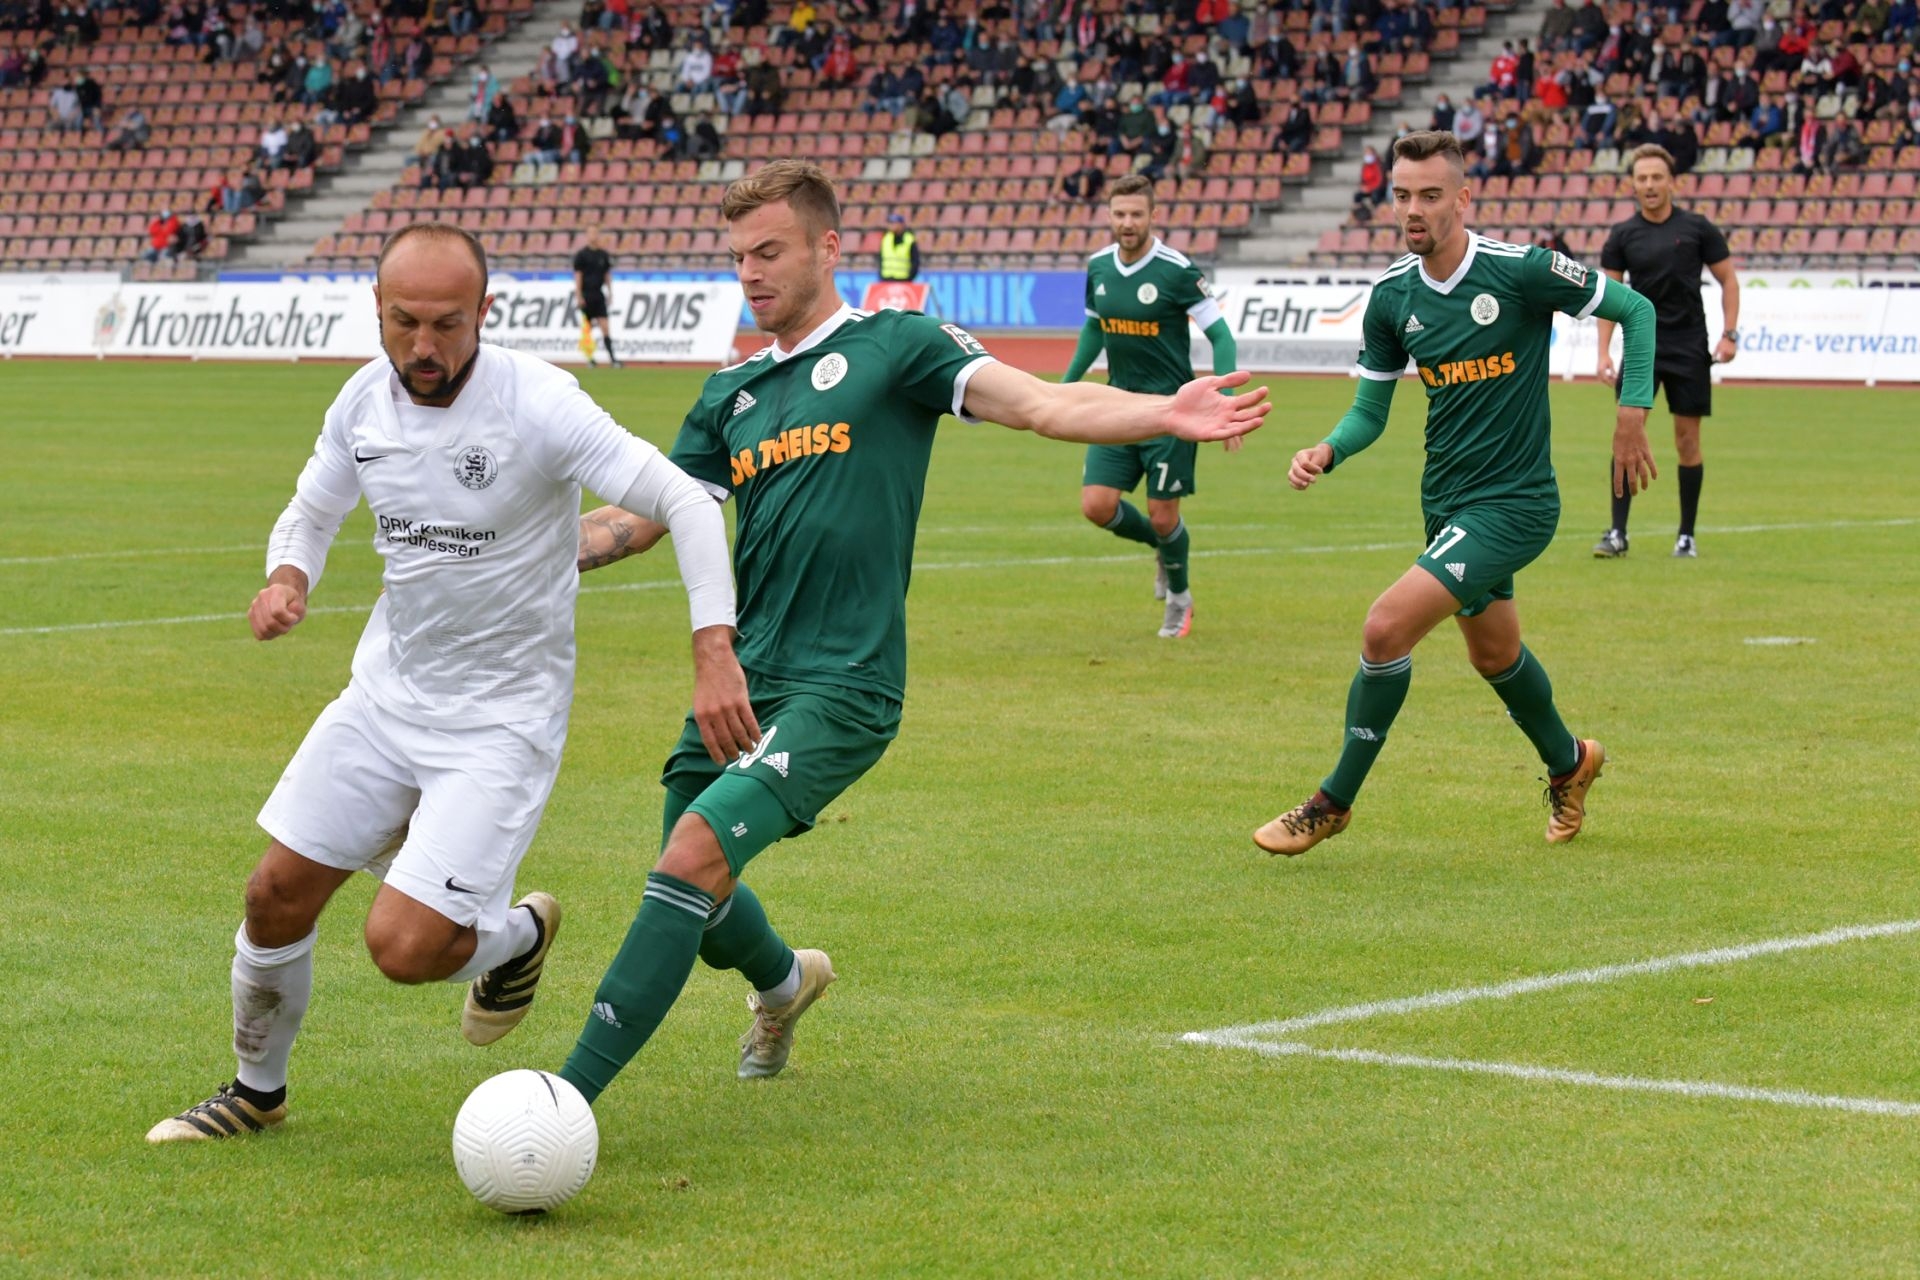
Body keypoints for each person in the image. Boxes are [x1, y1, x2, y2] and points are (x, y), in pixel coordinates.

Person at [551, 160, 1265, 1106]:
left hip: (844, 682)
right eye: (737, 258)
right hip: (745, 677)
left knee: (692, 856)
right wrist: (510, 555)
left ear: (828, 247)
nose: (751, 274)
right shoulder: (730, 394)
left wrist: (1163, 410)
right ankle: (784, 981)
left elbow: (1043, 404)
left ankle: (559, 1104)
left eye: (769, 251)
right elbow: (635, 521)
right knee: (696, 883)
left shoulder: (898, 345)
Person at [144, 222, 739, 1143]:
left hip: (500, 723)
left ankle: (518, 940)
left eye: (448, 326)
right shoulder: (361, 403)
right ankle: (256, 1092)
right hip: (384, 699)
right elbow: (311, 511)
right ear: (376, 312)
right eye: (404, 322)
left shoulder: (538, 404)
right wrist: (288, 577)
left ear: (485, 313)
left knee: (406, 948)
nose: (424, 347)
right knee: (273, 895)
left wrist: (713, 650)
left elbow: (686, 504)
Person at [1254, 130, 1658, 858]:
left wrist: (1632, 414)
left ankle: (1331, 803)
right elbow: (1369, 412)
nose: (1413, 209)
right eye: (1402, 195)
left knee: (1384, 628)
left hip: (1517, 505)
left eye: (1430, 195)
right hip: (1447, 505)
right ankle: (1571, 762)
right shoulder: (1390, 298)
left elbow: (1636, 310)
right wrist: (1327, 449)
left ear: (1464, 198)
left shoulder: (1521, 271)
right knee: (1496, 657)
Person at [1060, 174, 1239, 639]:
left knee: (1164, 514)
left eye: (1136, 214)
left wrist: (1223, 400)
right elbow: (1094, 331)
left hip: (1170, 412)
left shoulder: (1176, 270)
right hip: (1116, 405)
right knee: (1096, 507)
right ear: (1108, 215)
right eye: (1119, 214)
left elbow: (1220, 335)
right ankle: (1160, 548)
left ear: (1153, 216)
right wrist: (1064, 386)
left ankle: (1179, 599)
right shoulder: (1098, 267)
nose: (1127, 222)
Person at [1592, 143, 1739, 559]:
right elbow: (1608, 296)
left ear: (1672, 182)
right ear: (1632, 186)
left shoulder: (1698, 228)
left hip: (1690, 346)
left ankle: (1686, 535)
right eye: (1642, 178)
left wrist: (1730, 334)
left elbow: (1729, 280)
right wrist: (1603, 351)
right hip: (1642, 347)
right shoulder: (1622, 235)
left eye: (1657, 177)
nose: (1650, 185)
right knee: (1627, 433)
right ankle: (1617, 534)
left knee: (1687, 441)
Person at [573, 226, 620, 367]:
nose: (593, 235)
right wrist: (579, 295)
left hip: (599, 294)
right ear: (587, 235)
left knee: (605, 326)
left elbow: (607, 275)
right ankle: (590, 359)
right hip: (586, 294)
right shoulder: (581, 255)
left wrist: (610, 292)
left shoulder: (603, 255)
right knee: (587, 329)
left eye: (595, 232)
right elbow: (578, 277)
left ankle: (612, 358)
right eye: (590, 232)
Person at [876, 211, 918, 280]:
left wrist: (910, 277)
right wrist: (881, 276)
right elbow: (881, 258)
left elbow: (915, 261)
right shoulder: (886, 238)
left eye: (893, 223)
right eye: (890, 223)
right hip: (887, 279)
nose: (891, 226)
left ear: (901, 224)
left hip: (903, 279)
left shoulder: (909, 239)